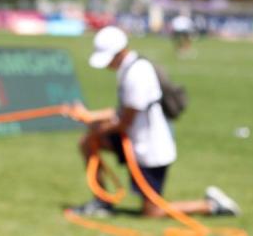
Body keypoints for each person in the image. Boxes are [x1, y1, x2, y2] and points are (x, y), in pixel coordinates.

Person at [71, 26, 240, 218]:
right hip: (135, 140)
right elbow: (123, 111)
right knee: (87, 142)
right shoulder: (128, 68)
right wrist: (90, 117)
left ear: (120, 52)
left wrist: (96, 128)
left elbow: (124, 121)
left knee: (152, 211)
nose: (107, 65)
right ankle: (101, 202)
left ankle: (210, 205)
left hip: (150, 149)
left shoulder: (137, 73)